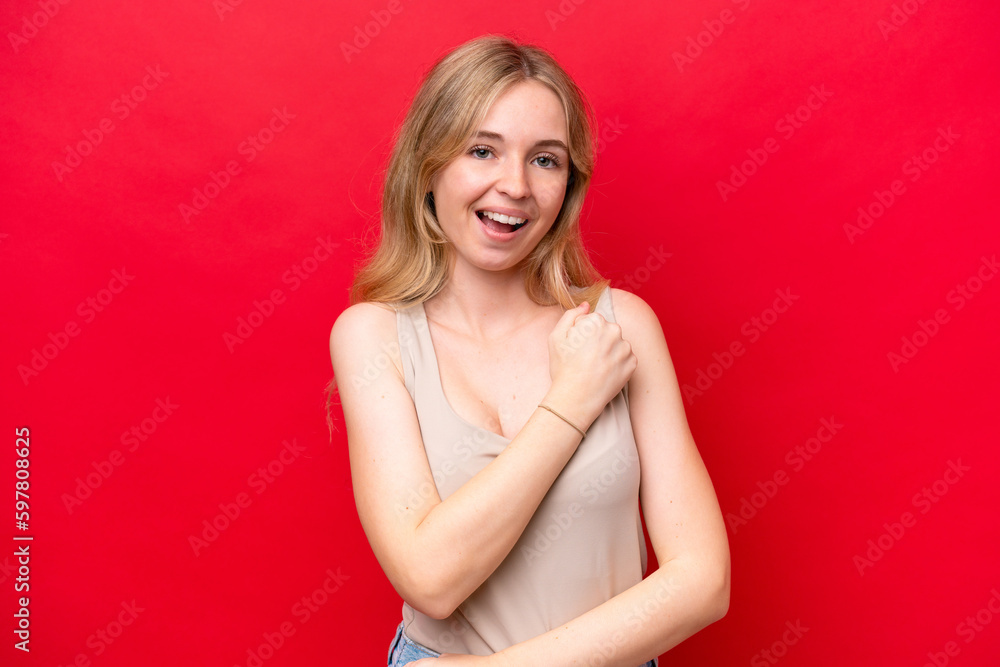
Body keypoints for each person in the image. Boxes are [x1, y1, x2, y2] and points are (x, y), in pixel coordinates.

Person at [328, 34, 730, 667]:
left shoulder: (621, 326)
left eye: (545, 160)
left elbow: (704, 581)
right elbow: (431, 578)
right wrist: (570, 403)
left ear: (568, 184)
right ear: (430, 166)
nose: (513, 185)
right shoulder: (373, 335)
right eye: (482, 151)